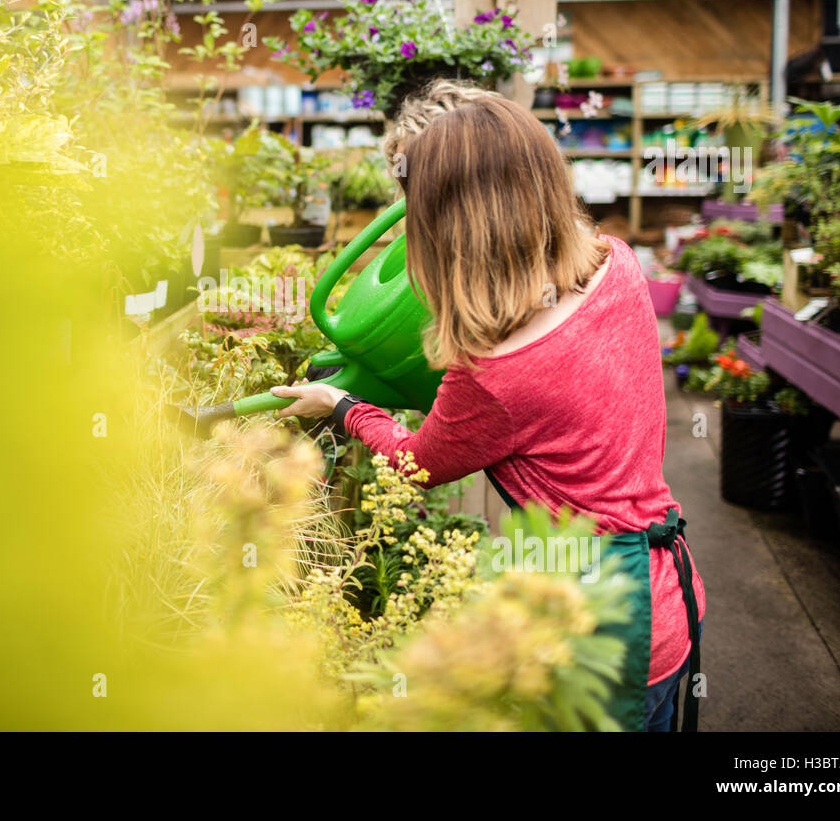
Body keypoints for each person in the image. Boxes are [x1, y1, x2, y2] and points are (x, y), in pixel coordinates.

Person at [271, 81, 705, 732]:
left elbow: (415, 465)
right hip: (672, 592)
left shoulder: (496, 372)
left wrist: (342, 406)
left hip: (598, 621)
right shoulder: (618, 265)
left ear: (440, 229)